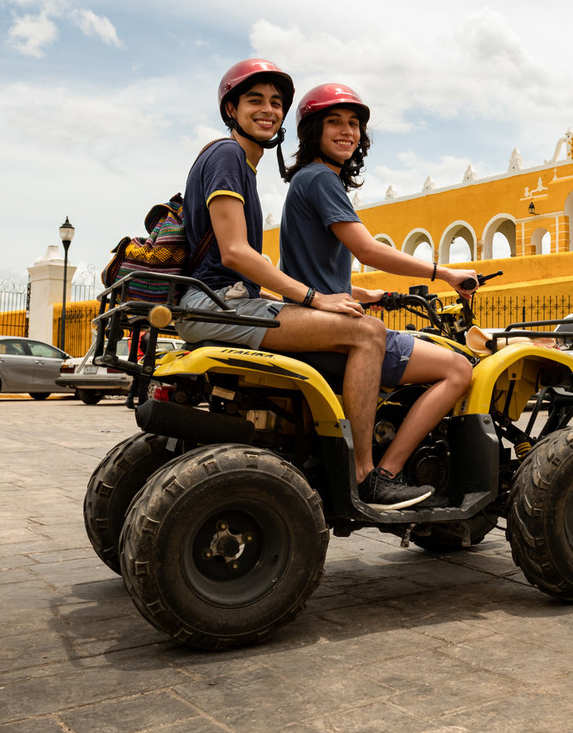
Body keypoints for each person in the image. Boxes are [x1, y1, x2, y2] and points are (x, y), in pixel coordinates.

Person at [178, 60, 423, 511]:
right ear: (230, 108)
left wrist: (324, 298)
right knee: (367, 333)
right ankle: (366, 475)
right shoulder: (228, 156)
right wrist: (315, 298)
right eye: (255, 100)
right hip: (217, 304)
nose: (268, 110)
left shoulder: (240, 167)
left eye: (276, 102)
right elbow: (235, 254)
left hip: (222, 302)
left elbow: (236, 266)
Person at [280, 83, 477, 509]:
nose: (347, 131)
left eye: (354, 124)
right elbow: (367, 250)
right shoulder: (321, 179)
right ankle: (379, 474)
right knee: (459, 370)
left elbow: (305, 273)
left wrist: (370, 293)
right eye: (335, 122)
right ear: (313, 130)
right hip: (335, 333)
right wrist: (445, 273)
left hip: (314, 319)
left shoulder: (305, 181)